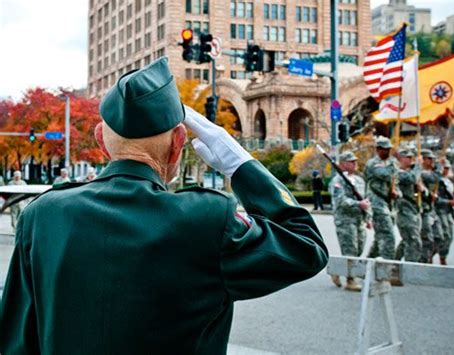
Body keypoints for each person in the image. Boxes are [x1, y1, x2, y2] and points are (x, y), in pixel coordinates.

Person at [0, 57, 328, 354]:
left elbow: (15, 343)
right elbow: (305, 247)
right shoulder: (206, 220)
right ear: (178, 144)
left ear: (101, 141)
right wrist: (239, 163)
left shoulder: (41, 216)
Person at [330, 151, 372, 291]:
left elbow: (365, 199)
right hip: (345, 220)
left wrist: (368, 217)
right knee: (350, 250)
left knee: (359, 248)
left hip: (359, 220)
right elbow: (340, 201)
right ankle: (350, 280)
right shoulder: (337, 181)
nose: (354, 163)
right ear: (342, 164)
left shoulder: (360, 181)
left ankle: (336, 270)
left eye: (355, 161)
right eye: (351, 161)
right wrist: (358, 204)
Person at [365, 136, 399, 260]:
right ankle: (387, 268)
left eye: (389, 149)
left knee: (380, 237)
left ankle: (367, 264)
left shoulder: (391, 163)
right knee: (388, 236)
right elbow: (385, 175)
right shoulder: (373, 163)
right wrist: (394, 163)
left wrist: (396, 193)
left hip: (388, 204)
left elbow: (396, 181)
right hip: (376, 204)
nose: (388, 151)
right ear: (378, 149)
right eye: (385, 149)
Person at [394, 148, 422, 262]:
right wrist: (419, 166)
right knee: (413, 241)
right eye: (408, 158)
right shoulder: (398, 172)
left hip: (413, 210)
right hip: (404, 211)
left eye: (412, 157)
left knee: (407, 241)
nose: (411, 160)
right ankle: (410, 269)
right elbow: (412, 179)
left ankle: (393, 263)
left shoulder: (408, 172)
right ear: (400, 159)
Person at [419, 149, 443, 264]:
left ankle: (427, 257)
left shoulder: (432, 173)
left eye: (433, 159)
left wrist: (438, 165)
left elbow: (437, 179)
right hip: (423, 209)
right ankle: (424, 262)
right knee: (427, 239)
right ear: (423, 159)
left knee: (439, 238)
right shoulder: (420, 173)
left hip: (431, 209)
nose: (432, 161)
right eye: (429, 158)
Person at [435, 160, 454, 265]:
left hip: (448, 211)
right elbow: (435, 199)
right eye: (444, 168)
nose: (446, 170)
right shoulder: (437, 180)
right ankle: (435, 255)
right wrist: (449, 202)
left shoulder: (448, 181)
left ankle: (443, 256)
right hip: (439, 211)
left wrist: (453, 213)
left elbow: (450, 196)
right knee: (443, 236)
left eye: (447, 168)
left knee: (449, 236)